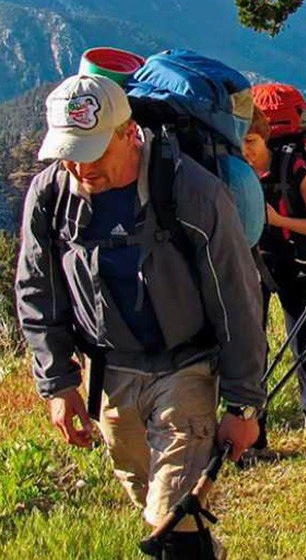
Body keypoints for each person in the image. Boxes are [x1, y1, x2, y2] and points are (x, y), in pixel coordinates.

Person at [15, 73, 265, 559]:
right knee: (152, 501)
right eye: (69, 151)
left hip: (186, 370)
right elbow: (37, 290)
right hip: (111, 375)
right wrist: (58, 383)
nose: (79, 167)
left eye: (92, 152)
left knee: (166, 522)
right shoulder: (50, 197)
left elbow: (237, 298)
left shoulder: (192, 192)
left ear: (129, 134)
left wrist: (243, 406)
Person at [242, 108, 306, 431]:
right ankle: (255, 430)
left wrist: (280, 221)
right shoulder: (236, 171)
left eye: (251, 140)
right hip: (252, 264)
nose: (245, 149)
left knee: (301, 338)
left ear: (264, 137)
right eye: (239, 141)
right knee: (253, 346)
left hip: (296, 261)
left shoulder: (293, 168)